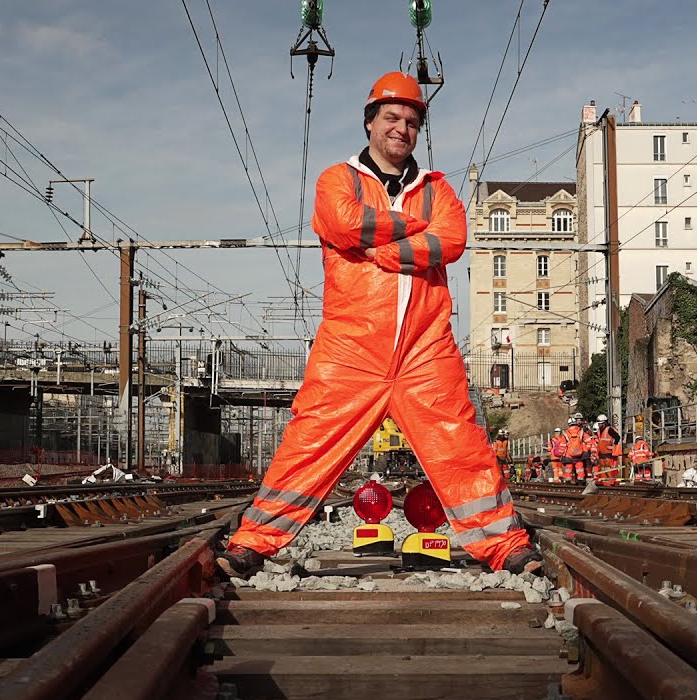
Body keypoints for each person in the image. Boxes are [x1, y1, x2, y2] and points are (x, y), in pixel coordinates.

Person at [216, 71, 542, 578]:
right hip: (351, 346)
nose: (402, 128)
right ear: (370, 122)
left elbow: (451, 241)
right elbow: (343, 222)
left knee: (462, 447)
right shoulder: (336, 180)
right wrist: (414, 226)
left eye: (411, 121)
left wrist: (384, 251)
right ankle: (252, 543)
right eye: (391, 117)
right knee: (309, 444)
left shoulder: (436, 188)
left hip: (424, 348)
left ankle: (504, 545)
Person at [594, 414, 622, 484]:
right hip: (602, 453)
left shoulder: (609, 429)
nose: (599, 425)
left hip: (608, 453)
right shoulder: (599, 431)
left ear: (604, 423)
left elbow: (617, 437)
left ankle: (609, 482)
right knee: (603, 469)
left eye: (600, 424)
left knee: (608, 469)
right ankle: (604, 482)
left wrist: (613, 445)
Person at [562, 414, 589, 483]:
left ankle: (568, 480)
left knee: (568, 468)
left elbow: (562, 445)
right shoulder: (581, 431)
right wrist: (586, 450)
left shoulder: (566, 433)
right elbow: (588, 441)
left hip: (569, 454)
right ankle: (580, 480)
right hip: (579, 453)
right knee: (580, 467)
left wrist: (561, 454)